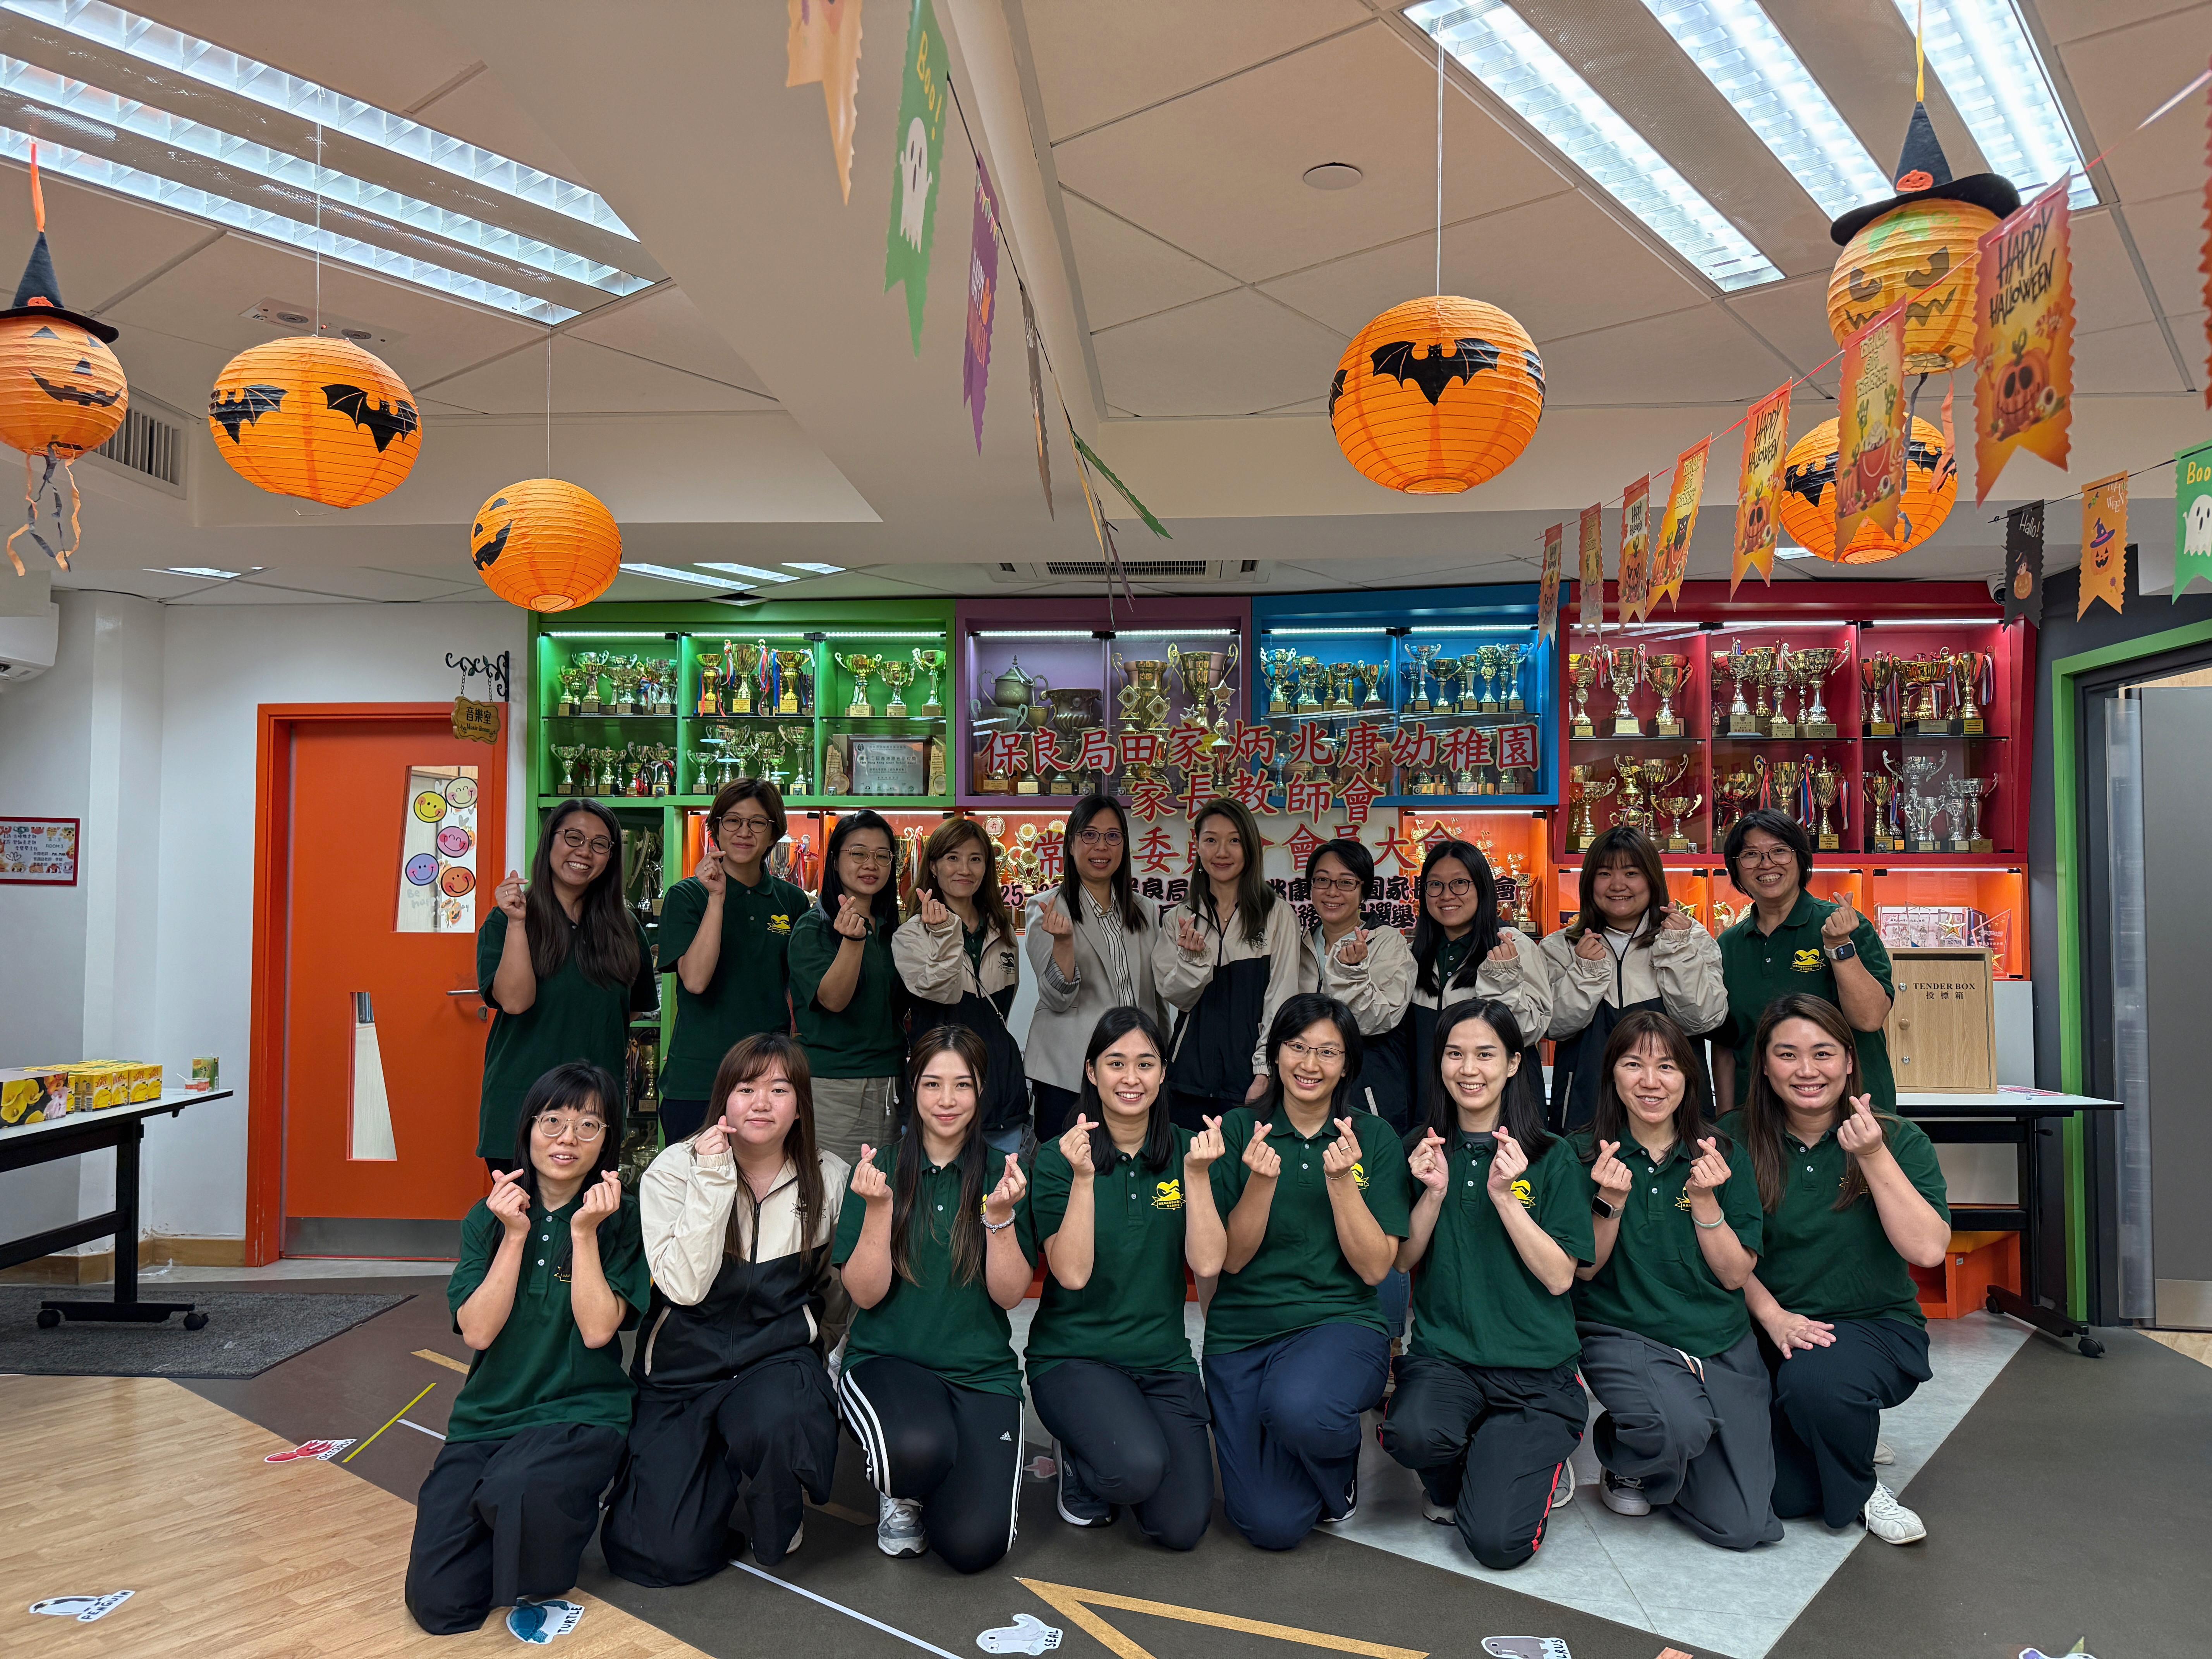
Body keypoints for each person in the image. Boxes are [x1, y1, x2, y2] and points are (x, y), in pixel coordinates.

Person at [405, 1062, 646, 1634]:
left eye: (589, 1125)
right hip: (487, 1418)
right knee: (439, 1606)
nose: (568, 1138)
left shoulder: (624, 1218)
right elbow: (478, 1332)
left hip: (581, 1414)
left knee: (517, 1489)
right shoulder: (487, 1219)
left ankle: (541, 1527)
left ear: (607, 1140)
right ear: (528, 1129)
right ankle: (512, 1530)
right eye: (553, 1121)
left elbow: (598, 1330)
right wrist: (514, 1235)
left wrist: (584, 1232)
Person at [600, 1034, 847, 1587]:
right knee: (659, 1556)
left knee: (784, 1417)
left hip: (773, 1361)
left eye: (779, 1090)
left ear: (800, 1105)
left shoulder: (829, 1176)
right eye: (746, 1088)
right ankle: (712, 1463)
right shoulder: (673, 1170)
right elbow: (684, 1288)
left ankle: (776, 1497)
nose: (761, 1103)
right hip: (683, 1370)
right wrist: (714, 1179)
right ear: (724, 1100)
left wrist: (820, 1359)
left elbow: (834, 1288)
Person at [1723, 996, 1949, 1546]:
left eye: (1822, 1053)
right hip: (1765, 1328)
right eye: (1787, 1055)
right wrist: (1773, 1316)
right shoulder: (1732, 1138)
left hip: (1871, 1326)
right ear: (1764, 1065)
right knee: (1787, 1498)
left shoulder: (1897, 1139)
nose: (1807, 1070)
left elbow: (1928, 1250)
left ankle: (1862, 1486)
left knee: (1815, 1381)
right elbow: (1718, 1247)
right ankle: (1842, 1431)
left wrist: (1872, 1155)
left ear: (1849, 1061)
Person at [1377, 1001, 1591, 1570]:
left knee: (1497, 1546)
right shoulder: (1419, 1150)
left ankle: (1529, 1459)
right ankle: (1469, 1465)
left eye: (1485, 1055)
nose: (1468, 1069)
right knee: (1413, 1433)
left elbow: (1559, 1277)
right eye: (1455, 1054)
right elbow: (1402, 1261)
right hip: (1448, 1361)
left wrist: (1505, 1199)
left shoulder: (1551, 1156)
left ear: (1514, 1064)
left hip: (1535, 1374)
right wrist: (1433, 1193)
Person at [1202, 993, 1412, 1551]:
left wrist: (1341, 1181)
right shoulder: (1239, 1129)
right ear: (1275, 1054)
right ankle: (1304, 1441)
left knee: (1300, 1408)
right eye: (1297, 1047)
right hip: (1242, 1335)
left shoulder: (1373, 1138)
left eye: (1328, 1052)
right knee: (1270, 1526)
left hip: (1339, 1325)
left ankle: (1333, 1457)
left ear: (1347, 1064)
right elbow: (1231, 1259)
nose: (1310, 1064)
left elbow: (1376, 1268)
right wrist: (1259, 1183)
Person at [1574, 1011, 1781, 1550]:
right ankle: (1628, 1453)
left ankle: (1672, 1444)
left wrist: (1706, 1201)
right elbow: (1585, 1269)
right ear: (1612, 1075)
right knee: (1675, 1428)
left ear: (1689, 1077)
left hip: (1719, 1341)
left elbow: (1735, 1274)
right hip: (1623, 1334)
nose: (1651, 1082)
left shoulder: (1722, 1156)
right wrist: (1609, 1201)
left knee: (1744, 1526)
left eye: (1667, 1066)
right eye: (1633, 1065)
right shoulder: (1581, 1154)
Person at [834, 1026, 1034, 1571]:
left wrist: (999, 1217)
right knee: (915, 1451)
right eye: (932, 1084)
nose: (947, 1100)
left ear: (981, 1090)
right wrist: (879, 1209)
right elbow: (865, 1294)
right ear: (912, 1088)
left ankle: (937, 1480)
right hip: (889, 1361)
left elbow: (1009, 1294)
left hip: (980, 1372)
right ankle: (901, 1485)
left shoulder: (1005, 1175)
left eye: (962, 1085)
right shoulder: (877, 1170)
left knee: (974, 1546)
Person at [1027, 1006, 1224, 1549]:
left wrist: (1198, 1179)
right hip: (1076, 1358)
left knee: (1181, 1527)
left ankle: (1117, 1440)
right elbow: (1071, 1273)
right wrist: (1084, 1179)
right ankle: (1079, 1457)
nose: (1131, 1078)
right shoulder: (1058, 1158)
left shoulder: (1190, 1150)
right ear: (1092, 1072)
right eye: (1116, 1063)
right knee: (1134, 1470)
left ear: (1163, 1073)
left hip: (1162, 1361)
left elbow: (1208, 1264)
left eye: (1145, 1063)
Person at [477, 800, 656, 1168]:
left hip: (594, 1113)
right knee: (519, 1206)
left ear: (611, 856)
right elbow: (514, 1002)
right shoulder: (507, 921)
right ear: (550, 842)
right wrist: (517, 924)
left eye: (600, 844)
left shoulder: (624, 929)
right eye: (573, 837)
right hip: (521, 1107)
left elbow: (631, 1009)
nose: (584, 852)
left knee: (591, 1207)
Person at [1542, 826, 1727, 1134]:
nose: (1618, 885)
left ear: (1652, 879)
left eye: (1631, 873)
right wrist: (1586, 972)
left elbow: (1704, 1020)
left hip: (1672, 1111)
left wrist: (1676, 951)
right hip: (1585, 1111)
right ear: (1588, 882)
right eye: (1604, 874)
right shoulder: (1561, 946)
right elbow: (1554, 1027)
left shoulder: (1690, 938)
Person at [1711, 809, 1894, 1115]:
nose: (1766, 864)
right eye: (1751, 855)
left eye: (1780, 851)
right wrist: (1725, 1123)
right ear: (1736, 869)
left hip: (1852, 1115)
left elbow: (1870, 1019)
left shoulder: (1844, 926)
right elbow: (1726, 1044)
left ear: (1801, 859)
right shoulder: (1728, 946)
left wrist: (1839, 946)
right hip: (1759, 1120)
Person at [656, 780, 810, 1142]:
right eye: (732, 821)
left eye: (757, 823)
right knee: (698, 1178)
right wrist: (716, 899)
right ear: (716, 828)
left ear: (774, 833)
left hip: (767, 1082)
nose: (744, 832)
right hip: (699, 1080)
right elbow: (695, 981)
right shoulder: (687, 896)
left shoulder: (792, 901)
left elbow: (799, 991)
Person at [1154, 798, 1305, 1131]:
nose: (1222, 852)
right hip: (1187, 1080)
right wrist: (1193, 962)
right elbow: (1176, 996)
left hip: (1249, 1082)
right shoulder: (1180, 918)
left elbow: (1281, 1000)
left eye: (1234, 840)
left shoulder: (1276, 915)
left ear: (1250, 846)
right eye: (1211, 840)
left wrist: (1264, 1071)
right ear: (1197, 846)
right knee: (1187, 1160)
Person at [1025, 795, 1162, 1142]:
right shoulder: (1047, 908)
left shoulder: (1146, 911)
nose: (1102, 847)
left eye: (1113, 836)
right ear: (1071, 844)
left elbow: (1156, 998)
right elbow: (1056, 999)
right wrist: (1063, 942)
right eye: (1089, 835)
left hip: (1134, 1073)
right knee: (1067, 1169)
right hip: (1069, 1073)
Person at [893, 818, 1028, 1159]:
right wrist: (944, 935)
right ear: (933, 866)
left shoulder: (1002, 930)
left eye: (975, 859)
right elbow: (939, 992)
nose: (965, 869)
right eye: (953, 858)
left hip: (999, 1091)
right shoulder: (912, 934)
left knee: (1002, 1187)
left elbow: (1002, 1011)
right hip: (940, 1093)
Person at [789, 810, 905, 1171]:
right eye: (858, 853)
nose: (871, 865)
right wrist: (853, 942)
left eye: (882, 855)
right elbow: (833, 1000)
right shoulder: (814, 928)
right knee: (833, 1192)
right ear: (836, 861)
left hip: (891, 1082)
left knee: (883, 1191)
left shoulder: (891, 929)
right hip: (834, 1084)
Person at [1403, 839, 1550, 1125]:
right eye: (1435, 885)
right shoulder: (1415, 954)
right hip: (1432, 1105)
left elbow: (1531, 1030)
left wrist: (1503, 979)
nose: (1446, 895)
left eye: (1460, 883)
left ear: (1482, 888)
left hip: (1503, 1112)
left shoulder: (1513, 945)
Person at [1302, 838, 1416, 1127]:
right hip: (1307, 1081)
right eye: (1322, 880)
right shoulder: (1299, 943)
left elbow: (1379, 1019)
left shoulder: (1387, 942)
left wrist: (1352, 972)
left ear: (1364, 890)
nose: (1332, 892)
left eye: (1346, 882)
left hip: (1366, 1087)